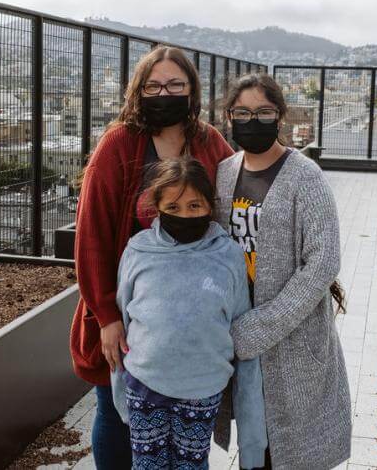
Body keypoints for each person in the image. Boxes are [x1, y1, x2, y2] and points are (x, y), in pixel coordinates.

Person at [70, 46, 234, 469]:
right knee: (115, 409)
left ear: (191, 90)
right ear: (138, 91)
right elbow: (92, 237)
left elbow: (236, 209)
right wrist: (106, 315)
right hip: (130, 312)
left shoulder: (208, 142)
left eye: (175, 84)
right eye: (154, 85)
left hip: (194, 315)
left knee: (185, 424)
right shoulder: (119, 145)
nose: (165, 93)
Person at [214, 73, 351, 470]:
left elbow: (323, 260)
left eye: (263, 112)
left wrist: (263, 325)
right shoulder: (225, 172)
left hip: (290, 340)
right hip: (239, 336)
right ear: (228, 115)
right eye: (242, 112)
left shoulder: (305, 177)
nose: (252, 120)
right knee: (254, 442)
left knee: (291, 449)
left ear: (280, 117)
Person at [110, 157, 267, 470]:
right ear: (157, 207)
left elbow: (240, 326)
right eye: (174, 207)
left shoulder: (228, 255)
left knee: (191, 466)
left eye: (195, 206)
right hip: (145, 384)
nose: (184, 215)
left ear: (210, 206)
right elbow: (124, 323)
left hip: (202, 388)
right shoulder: (138, 250)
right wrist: (119, 388)